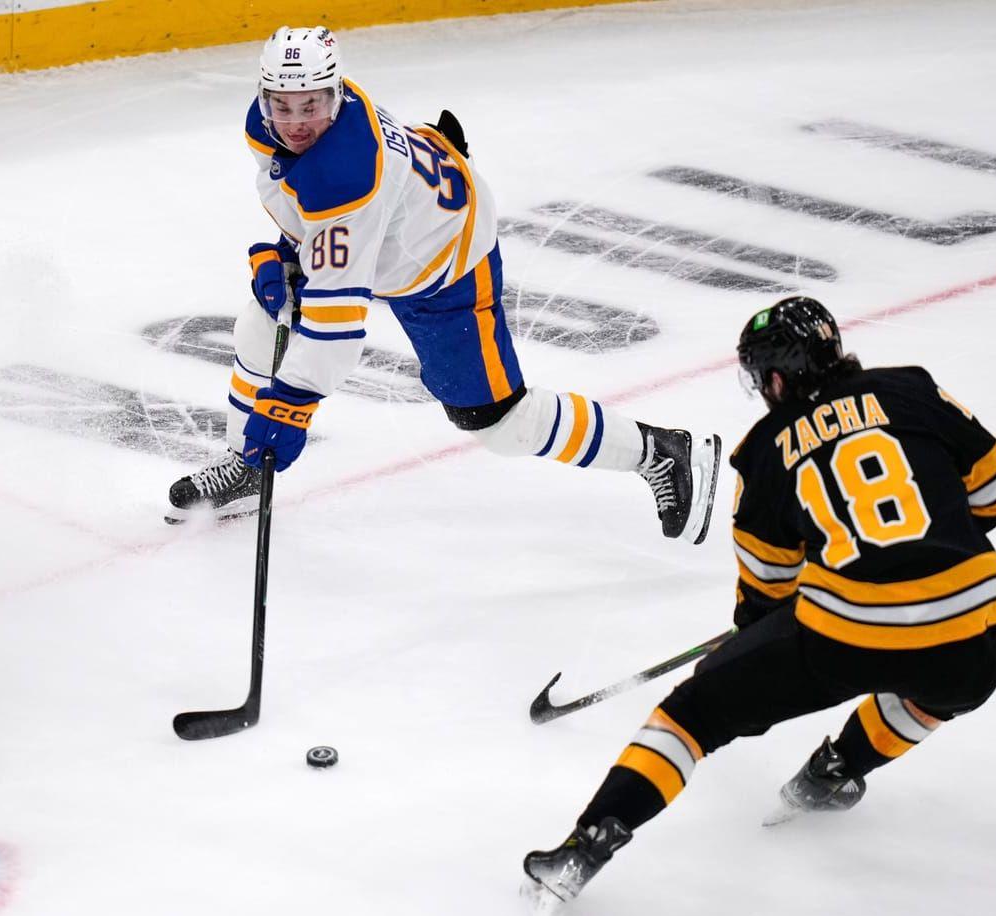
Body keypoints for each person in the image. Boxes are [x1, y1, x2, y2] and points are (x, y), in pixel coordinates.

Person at [522, 296, 996, 913]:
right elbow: (993, 495)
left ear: (777, 377)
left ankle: (585, 847)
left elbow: (767, 596)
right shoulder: (913, 389)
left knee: (692, 715)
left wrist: (782, 607)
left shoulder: (766, 448)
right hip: (976, 633)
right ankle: (834, 773)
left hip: (846, 636)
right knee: (937, 684)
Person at [165, 25, 721, 544]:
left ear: (334, 95)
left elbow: (335, 333)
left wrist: (290, 406)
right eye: (282, 105)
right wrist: (291, 249)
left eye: (310, 106)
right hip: (399, 217)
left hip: (445, 260)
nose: (295, 122)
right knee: (262, 323)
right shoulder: (285, 127)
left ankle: (661, 452)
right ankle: (247, 470)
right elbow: (313, 201)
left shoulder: (346, 175)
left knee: (501, 423)